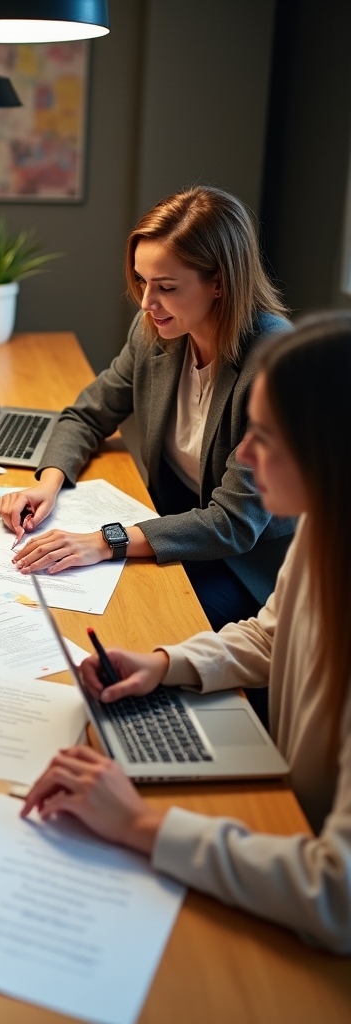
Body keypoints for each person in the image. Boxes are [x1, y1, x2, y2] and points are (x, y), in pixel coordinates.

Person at [22, 312, 351, 953]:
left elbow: (337, 897)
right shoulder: (325, 518)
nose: (243, 457)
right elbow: (271, 635)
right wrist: (164, 663)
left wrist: (142, 824)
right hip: (292, 818)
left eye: (264, 436)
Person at [0, 186, 294, 632]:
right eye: (141, 281)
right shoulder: (157, 329)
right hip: (171, 524)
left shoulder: (274, 363)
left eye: (167, 287)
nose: (146, 302)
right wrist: (49, 483)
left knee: (137, 626)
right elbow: (88, 414)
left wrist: (105, 541)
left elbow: (234, 523)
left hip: (246, 566)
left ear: (219, 282)